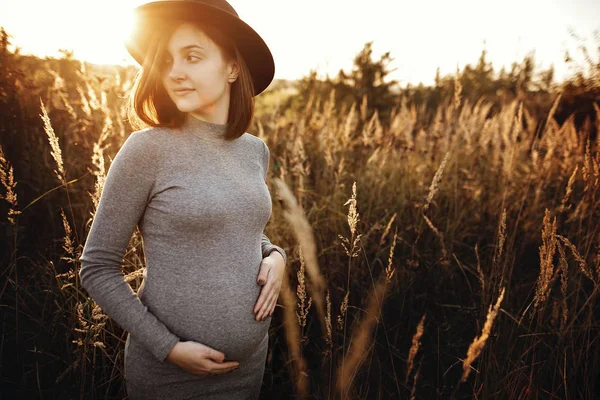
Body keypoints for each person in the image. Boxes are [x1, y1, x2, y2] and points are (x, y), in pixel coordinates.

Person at [77, 1, 287, 398]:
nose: (174, 72)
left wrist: (275, 255)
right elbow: (97, 268)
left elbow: (237, 229)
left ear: (232, 67)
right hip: (170, 377)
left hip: (248, 368)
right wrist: (168, 348)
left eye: (192, 56)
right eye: (167, 60)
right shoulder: (147, 150)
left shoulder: (254, 151)